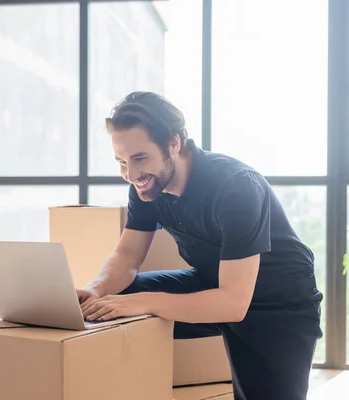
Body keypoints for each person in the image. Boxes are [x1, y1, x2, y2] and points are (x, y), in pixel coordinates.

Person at [78, 92, 323, 400]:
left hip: (278, 308)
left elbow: (233, 303)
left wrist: (146, 302)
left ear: (174, 142)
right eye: (122, 162)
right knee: (112, 301)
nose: (131, 174)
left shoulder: (236, 187)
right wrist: (95, 290)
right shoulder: (148, 186)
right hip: (213, 285)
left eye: (140, 158)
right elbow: (127, 256)